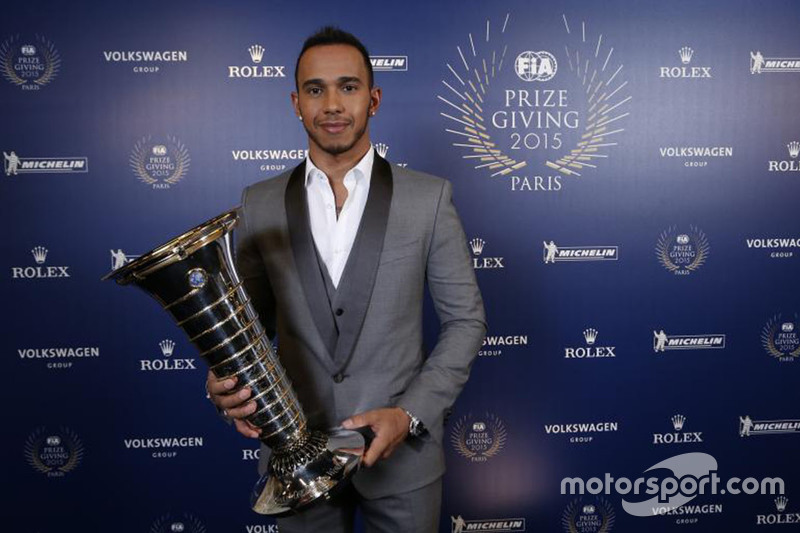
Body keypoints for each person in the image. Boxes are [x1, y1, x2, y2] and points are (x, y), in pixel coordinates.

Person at [206, 27, 486, 532]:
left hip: (404, 464)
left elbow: (466, 322)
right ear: (296, 102)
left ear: (373, 98)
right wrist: (223, 385)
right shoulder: (259, 203)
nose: (332, 103)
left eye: (348, 87)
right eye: (315, 89)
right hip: (295, 461)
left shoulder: (429, 199)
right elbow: (244, 330)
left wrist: (409, 414)